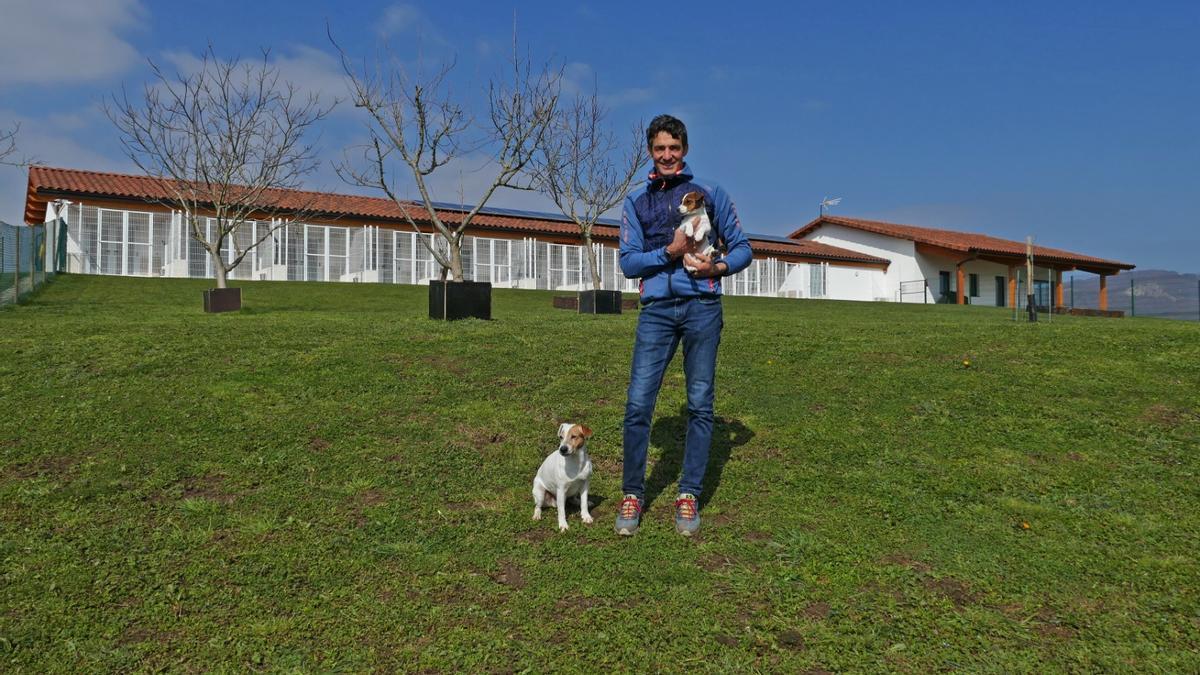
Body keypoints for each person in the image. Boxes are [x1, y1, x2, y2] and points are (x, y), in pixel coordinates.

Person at [614, 114, 752, 536]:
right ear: (650, 152)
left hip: (702, 308)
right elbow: (628, 263)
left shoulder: (709, 193)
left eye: (674, 147)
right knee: (639, 405)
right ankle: (633, 493)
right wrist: (670, 252)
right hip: (656, 311)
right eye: (660, 148)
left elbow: (745, 249)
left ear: (685, 150)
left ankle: (688, 494)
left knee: (700, 403)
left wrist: (720, 264)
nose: (668, 155)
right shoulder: (635, 202)